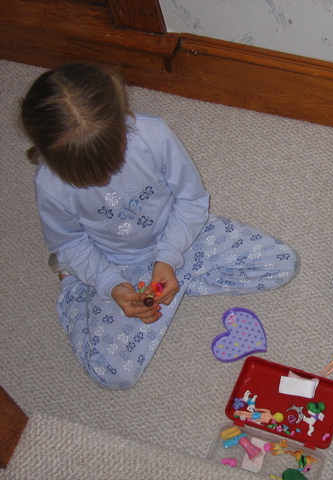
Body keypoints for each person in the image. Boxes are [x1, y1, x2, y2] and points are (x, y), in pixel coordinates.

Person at [20, 62, 299, 389]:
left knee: (282, 263)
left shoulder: (153, 136)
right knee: (113, 375)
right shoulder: (51, 185)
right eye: (87, 179)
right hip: (116, 265)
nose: (107, 179)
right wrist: (111, 284)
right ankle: (73, 287)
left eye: (113, 163)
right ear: (49, 158)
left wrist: (167, 257)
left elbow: (192, 202)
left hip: (182, 237)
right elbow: (68, 245)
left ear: (124, 116)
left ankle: (170, 282)